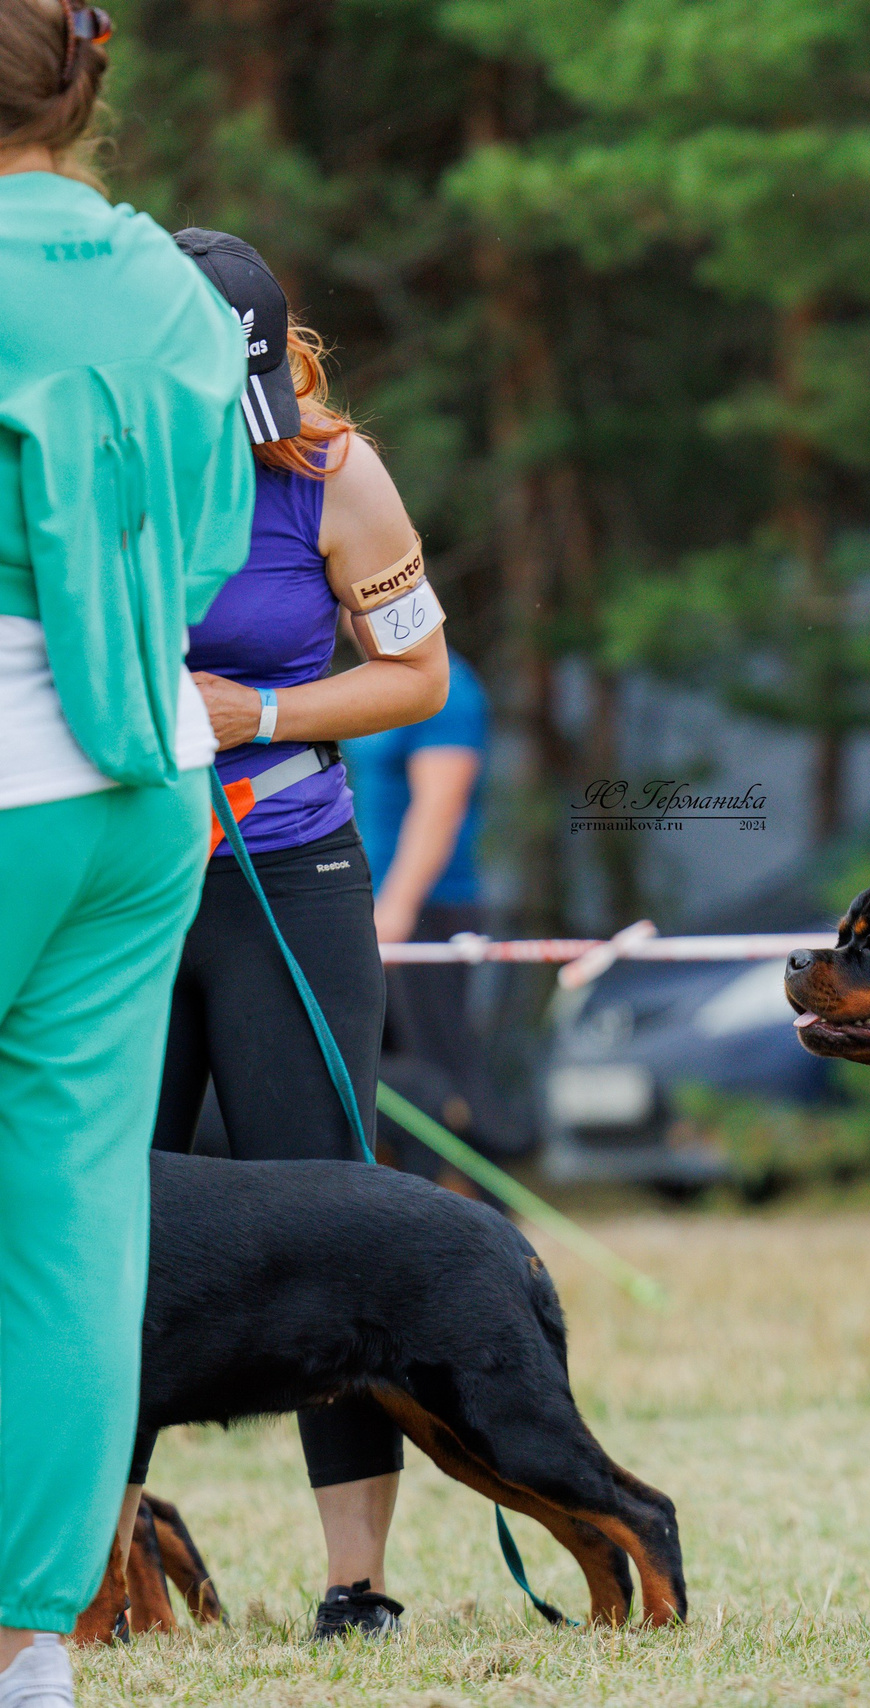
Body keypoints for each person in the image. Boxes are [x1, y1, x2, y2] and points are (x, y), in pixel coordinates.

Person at [134, 230, 447, 1643]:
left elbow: (416, 676)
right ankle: (88, 1571)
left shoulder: (331, 472)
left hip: (288, 867)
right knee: (99, 1211)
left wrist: (257, 714)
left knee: (330, 1203)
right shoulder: (70, 461)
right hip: (118, 885)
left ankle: (356, 1582)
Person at [0, 5, 254, 1699]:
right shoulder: (170, 273)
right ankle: (34, 1645)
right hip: (150, 771)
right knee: (73, 1218)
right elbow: (220, 532)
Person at [348, 648, 522, 1165]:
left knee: (442, 1070)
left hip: (425, 911)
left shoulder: (447, 688)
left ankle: (493, 1207)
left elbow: (440, 806)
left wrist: (396, 906)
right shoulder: (369, 683)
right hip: (367, 903)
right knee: (385, 1077)